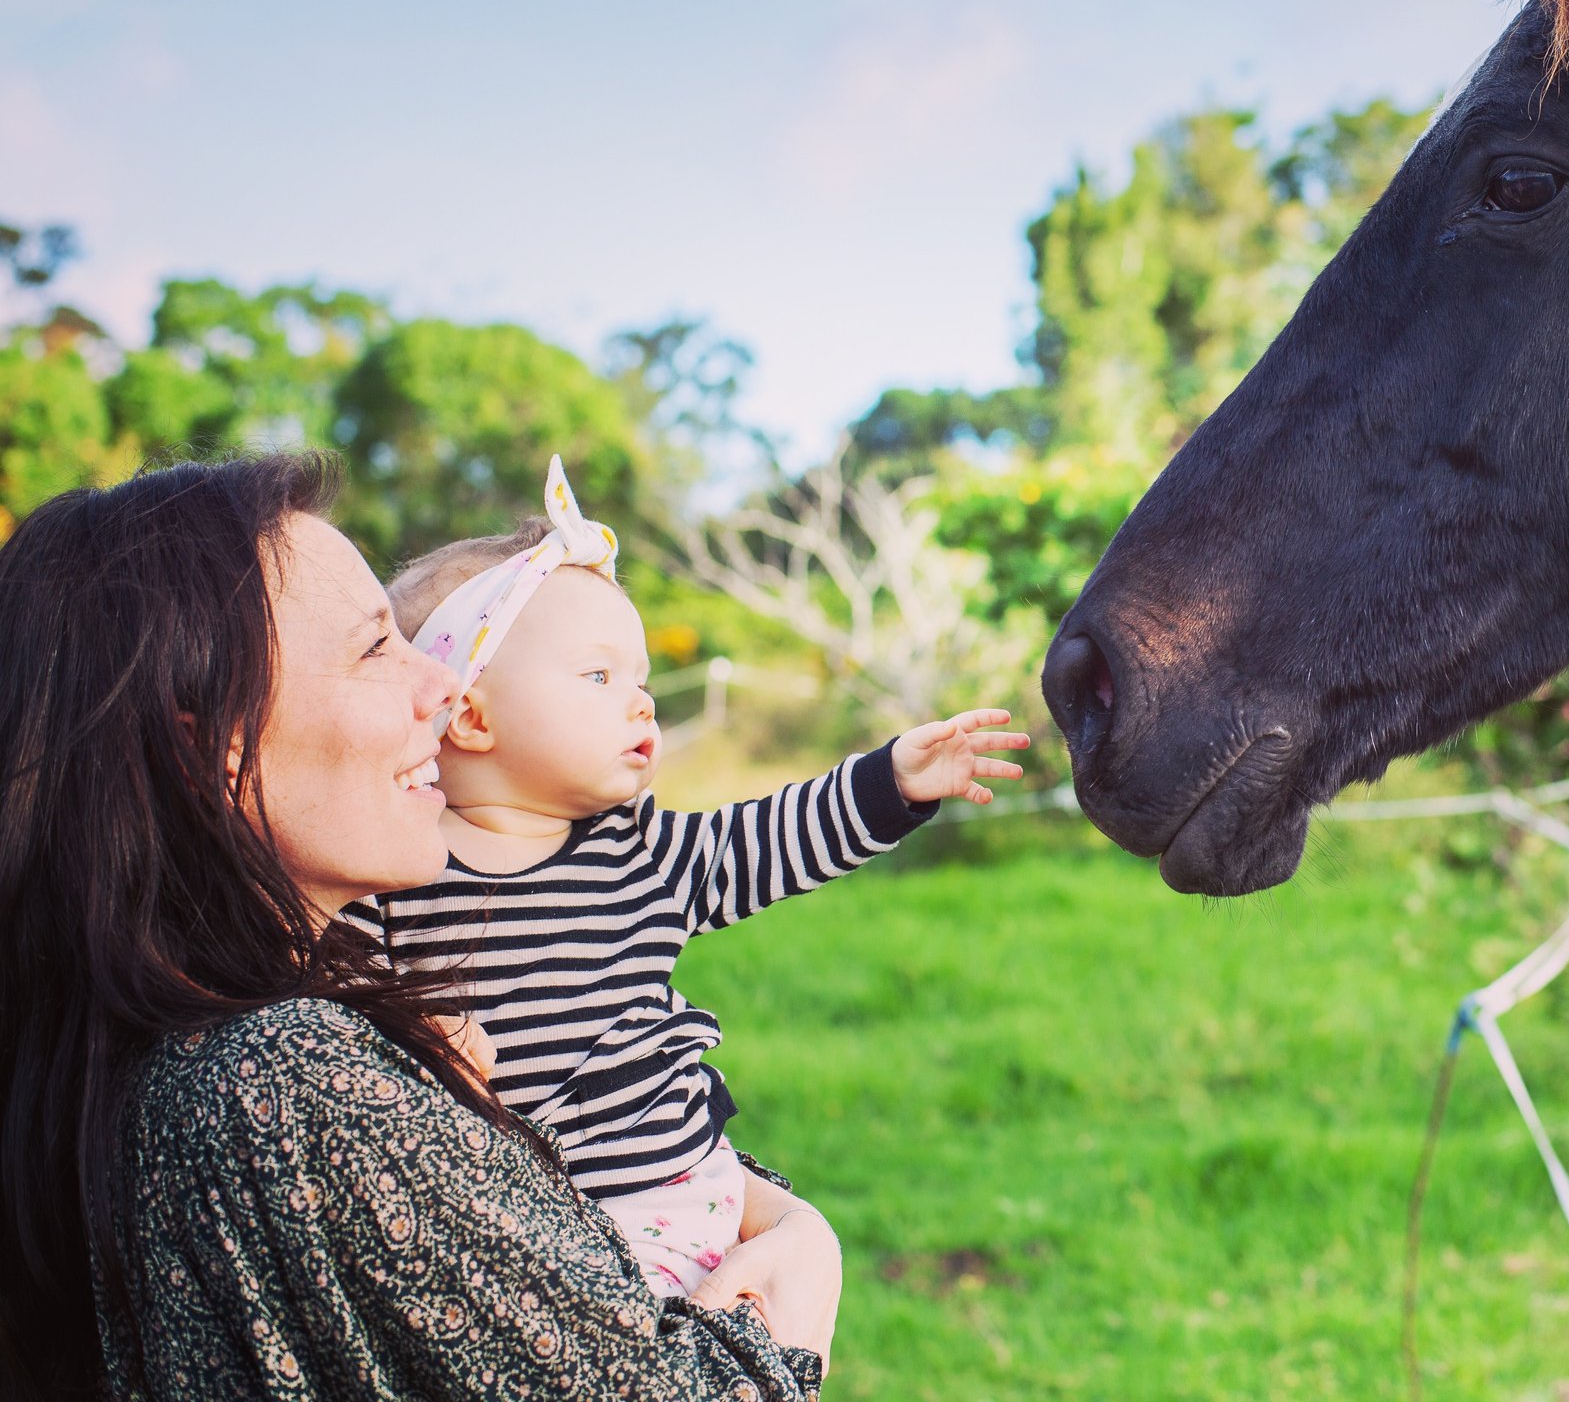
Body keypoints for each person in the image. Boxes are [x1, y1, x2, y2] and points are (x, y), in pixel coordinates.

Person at [0, 454, 840, 1399]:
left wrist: (764, 1208)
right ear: (208, 748)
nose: (442, 686)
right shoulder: (290, 1080)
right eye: (376, 648)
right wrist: (804, 1274)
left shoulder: (164, 1045)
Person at [349, 458, 1027, 1300]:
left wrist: (891, 781)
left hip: (680, 1202)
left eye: (640, 681)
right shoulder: (391, 878)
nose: (642, 704)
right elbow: (325, 1007)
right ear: (474, 715)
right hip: (529, 1244)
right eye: (600, 677)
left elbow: (769, 838)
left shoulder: (636, 851)